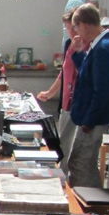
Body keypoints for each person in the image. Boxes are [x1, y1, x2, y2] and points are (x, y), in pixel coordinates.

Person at [67, 3, 109, 187]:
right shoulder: (98, 45)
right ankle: (88, 204)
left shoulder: (103, 47)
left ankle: (86, 208)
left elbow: (102, 89)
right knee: (80, 162)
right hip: (88, 115)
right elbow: (88, 72)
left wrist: (89, 120)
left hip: (92, 118)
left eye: (76, 27)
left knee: (81, 163)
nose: (76, 33)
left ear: (84, 24)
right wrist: (77, 54)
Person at [36, 10, 87, 174]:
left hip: (77, 103)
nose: (69, 32)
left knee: (70, 148)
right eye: (66, 28)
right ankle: (62, 176)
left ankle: (64, 179)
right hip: (66, 103)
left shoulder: (86, 47)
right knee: (62, 143)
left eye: (71, 28)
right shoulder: (68, 45)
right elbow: (64, 72)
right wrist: (51, 92)